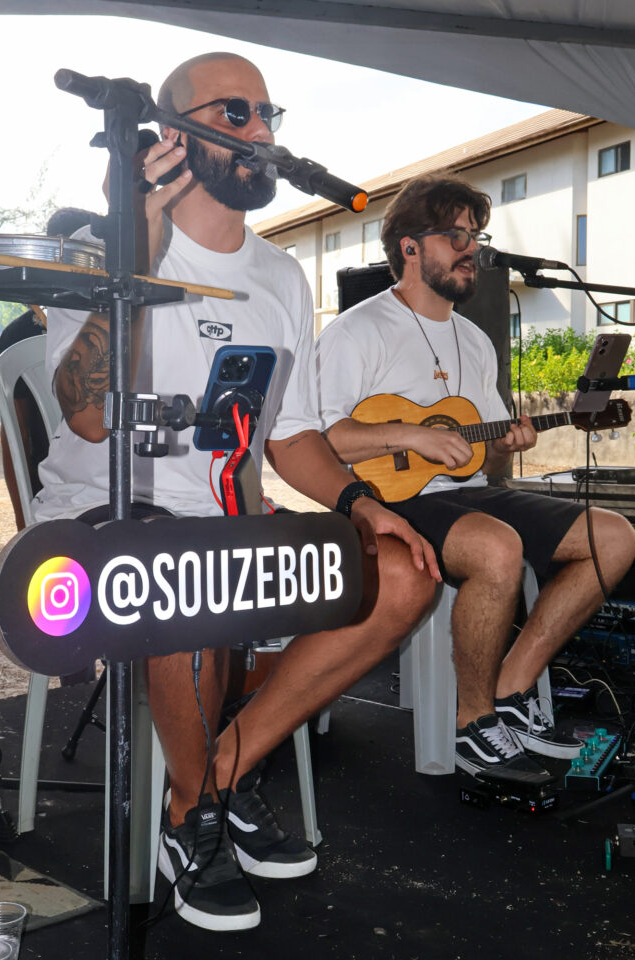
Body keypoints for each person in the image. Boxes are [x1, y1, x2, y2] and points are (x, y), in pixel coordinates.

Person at [33, 53, 438, 932]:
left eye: (267, 114)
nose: (260, 131)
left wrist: (363, 505)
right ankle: (196, 811)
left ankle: (211, 781)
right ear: (172, 136)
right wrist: (137, 245)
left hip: (222, 526)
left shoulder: (281, 277)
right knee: (191, 567)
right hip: (102, 521)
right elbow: (90, 417)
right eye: (235, 113)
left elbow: (289, 436)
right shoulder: (106, 249)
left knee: (405, 573)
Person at [317, 173, 635, 785]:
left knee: (614, 537)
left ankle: (512, 687)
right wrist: (411, 435)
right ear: (410, 247)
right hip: (383, 500)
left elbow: (481, 457)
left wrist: (507, 445)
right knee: (497, 548)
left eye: (476, 236)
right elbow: (322, 440)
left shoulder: (474, 340)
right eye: (457, 236)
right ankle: (472, 722)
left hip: (464, 496)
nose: (472, 250)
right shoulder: (357, 331)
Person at [0, 208, 95, 529]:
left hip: (77, 489)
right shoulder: (20, 333)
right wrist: (22, 519)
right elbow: (14, 436)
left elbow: (13, 437)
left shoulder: (110, 325)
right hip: (53, 490)